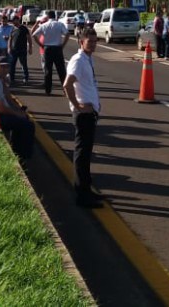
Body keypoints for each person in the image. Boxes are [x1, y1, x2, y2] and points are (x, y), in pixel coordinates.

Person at [62, 27, 103, 208]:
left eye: (95, 41)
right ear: (81, 42)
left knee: (86, 154)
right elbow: (67, 84)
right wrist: (77, 105)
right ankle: (82, 195)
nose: (93, 45)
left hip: (90, 113)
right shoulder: (78, 60)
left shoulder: (87, 58)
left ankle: (86, 189)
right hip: (83, 114)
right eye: (90, 42)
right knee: (82, 154)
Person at [32, 10, 70, 96]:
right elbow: (67, 34)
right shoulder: (60, 24)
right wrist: (63, 45)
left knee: (48, 70)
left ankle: (48, 90)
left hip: (47, 48)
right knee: (61, 70)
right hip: (57, 48)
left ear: (48, 17)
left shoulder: (44, 25)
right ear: (55, 16)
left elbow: (34, 34)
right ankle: (65, 90)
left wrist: (40, 44)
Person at [8, 16, 32, 85]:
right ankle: (12, 79)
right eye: (13, 21)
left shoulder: (24, 28)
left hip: (22, 50)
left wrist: (30, 48)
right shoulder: (12, 29)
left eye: (15, 20)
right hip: (13, 50)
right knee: (12, 65)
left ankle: (26, 78)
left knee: (24, 65)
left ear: (18, 20)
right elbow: (10, 39)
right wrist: (9, 48)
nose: (13, 22)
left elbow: (29, 38)